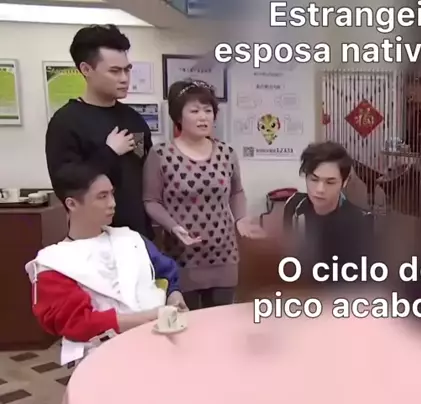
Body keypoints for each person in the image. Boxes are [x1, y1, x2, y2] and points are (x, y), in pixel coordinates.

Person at [25, 164, 186, 367]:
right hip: (102, 355)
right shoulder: (53, 262)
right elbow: (78, 323)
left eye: (112, 194)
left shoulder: (131, 239)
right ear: (72, 204)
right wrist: (147, 318)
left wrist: (174, 295)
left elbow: (166, 273)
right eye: (102, 197)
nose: (112, 203)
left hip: (159, 340)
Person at [143, 79, 254, 310]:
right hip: (182, 255)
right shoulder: (161, 154)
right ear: (178, 116)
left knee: (222, 319)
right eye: (194, 111)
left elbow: (237, 191)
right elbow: (151, 201)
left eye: (208, 111)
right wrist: (173, 227)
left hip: (224, 253)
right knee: (189, 321)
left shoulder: (226, 153)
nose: (203, 117)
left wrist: (241, 218)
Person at [45, 24, 154, 238]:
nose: (124, 78)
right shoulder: (66, 122)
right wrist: (109, 153)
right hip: (92, 237)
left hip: (137, 236)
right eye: (114, 71)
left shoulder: (133, 119)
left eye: (127, 70)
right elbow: (66, 184)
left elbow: (144, 171)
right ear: (86, 69)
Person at [283, 141, 374, 279]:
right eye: (314, 179)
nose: (320, 189)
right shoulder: (294, 207)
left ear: (344, 182)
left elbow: (361, 279)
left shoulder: (361, 220)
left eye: (330, 182)